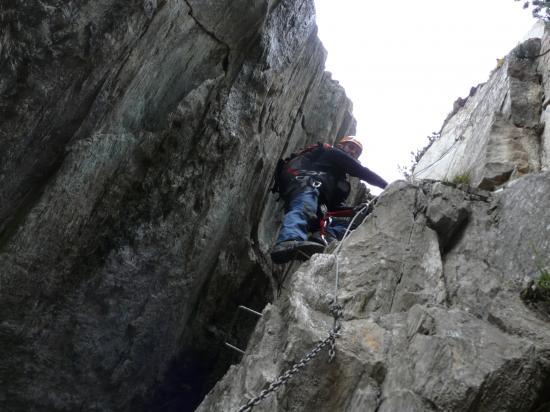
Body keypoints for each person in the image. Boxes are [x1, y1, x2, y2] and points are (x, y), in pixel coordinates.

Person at [270, 136, 388, 264]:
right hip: (304, 185)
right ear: (341, 146)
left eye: (357, 152)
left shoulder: (338, 180)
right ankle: (287, 241)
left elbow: (333, 209)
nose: (353, 152)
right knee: (305, 207)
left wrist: (353, 211)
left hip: (318, 208)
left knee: (349, 225)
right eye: (351, 147)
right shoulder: (332, 152)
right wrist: (387, 186)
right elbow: (362, 172)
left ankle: (320, 240)